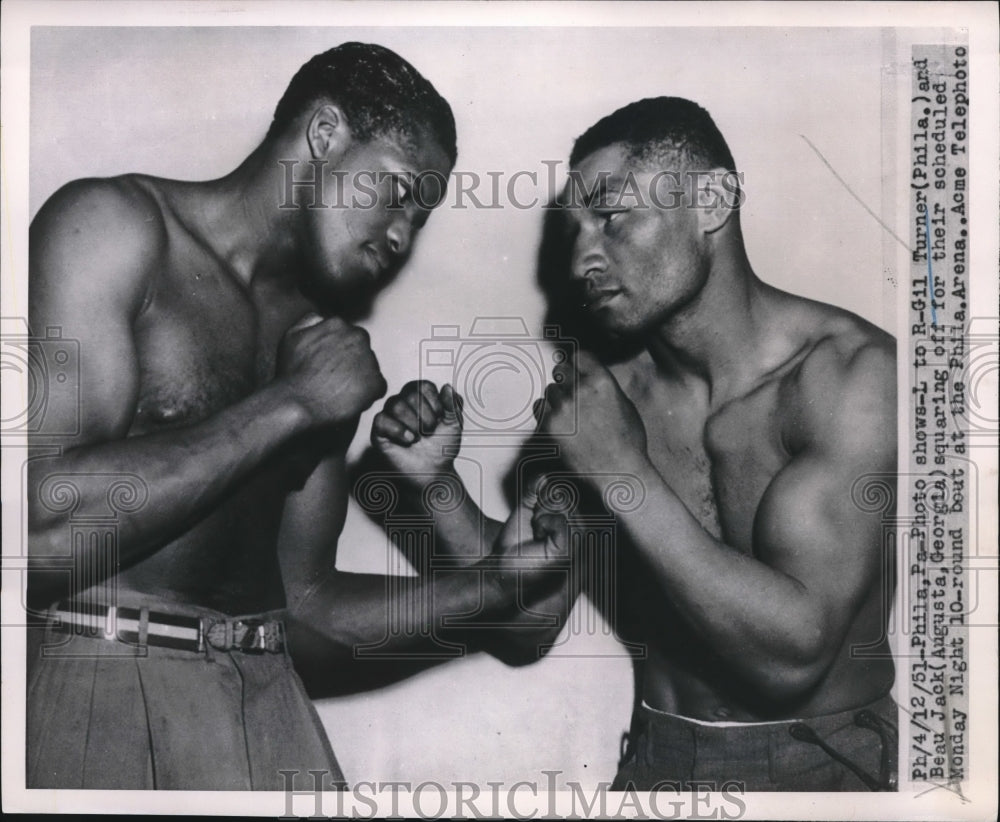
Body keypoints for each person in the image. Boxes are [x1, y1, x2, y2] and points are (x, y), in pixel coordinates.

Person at [25, 42, 561, 791]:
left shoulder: (317, 336)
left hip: (269, 702)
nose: (403, 235)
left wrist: (492, 587)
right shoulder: (113, 227)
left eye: (422, 217)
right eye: (398, 193)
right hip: (104, 677)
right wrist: (292, 401)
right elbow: (39, 536)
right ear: (324, 133)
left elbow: (305, 615)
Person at [371, 96, 899, 792]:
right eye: (577, 230)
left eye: (613, 216)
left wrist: (621, 470)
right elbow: (527, 622)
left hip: (827, 767)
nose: (583, 258)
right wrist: (434, 484)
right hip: (660, 762)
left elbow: (790, 659)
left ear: (710, 202)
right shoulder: (602, 399)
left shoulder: (851, 377)